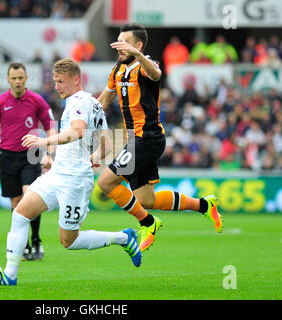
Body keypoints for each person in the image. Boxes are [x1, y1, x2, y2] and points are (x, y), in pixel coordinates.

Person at [1, 58, 141, 286]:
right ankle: (10, 276)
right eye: (55, 81)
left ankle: (124, 238)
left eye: (60, 82)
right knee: (20, 214)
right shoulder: (94, 104)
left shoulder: (76, 101)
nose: (56, 87)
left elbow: (77, 131)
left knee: (69, 241)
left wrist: (43, 140)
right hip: (57, 174)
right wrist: (94, 158)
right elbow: (105, 145)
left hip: (74, 181)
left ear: (76, 79)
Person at [96, 23, 223, 253]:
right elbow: (102, 101)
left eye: (124, 43)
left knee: (105, 182)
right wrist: (81, 113)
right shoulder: (117, 71)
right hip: (135, 141)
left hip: (147, 139)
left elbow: (156, 74)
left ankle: (148, 223)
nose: (119, 47)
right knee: (146, 200)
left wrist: (138, 56)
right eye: (117, 42)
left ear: (138, 45)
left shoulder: (146, 66)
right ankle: (204, 204)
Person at [0, 63, 55, 261]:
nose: (18, 81)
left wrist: (49, 152)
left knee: (29, 196)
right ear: (8, 79)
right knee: (16, 202)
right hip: (7, 155)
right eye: (14, 78)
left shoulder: (37, 100)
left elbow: (50, 126)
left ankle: (37, 240)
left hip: (30, 154)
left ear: (26, 78)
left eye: (21, 77)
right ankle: (25, 245)